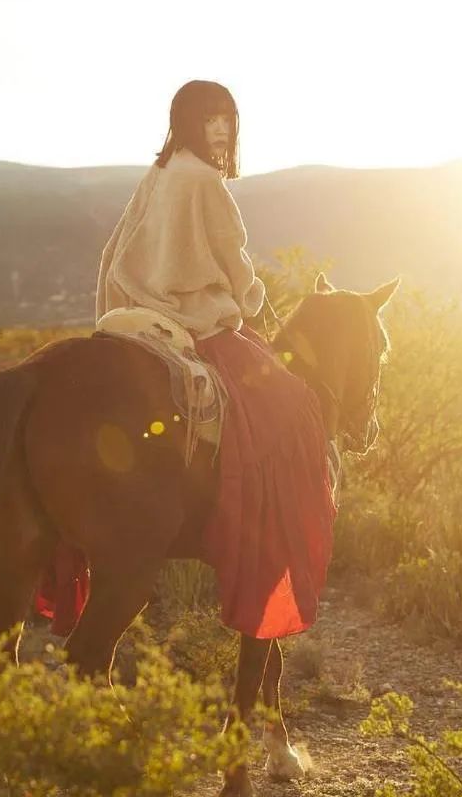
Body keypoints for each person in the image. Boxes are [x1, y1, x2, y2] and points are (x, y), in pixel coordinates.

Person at [96, 79, 335, 639]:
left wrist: (116, 307)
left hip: (138, 315)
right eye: (210, 120)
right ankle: (260, 532)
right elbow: (235, 263)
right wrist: (254, 305)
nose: (222, 129)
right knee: (290, 402)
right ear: (187, 121)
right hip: (197, 321)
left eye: (227, 118)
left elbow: (115, 250)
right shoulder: (206, 182)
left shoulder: (157, 174)